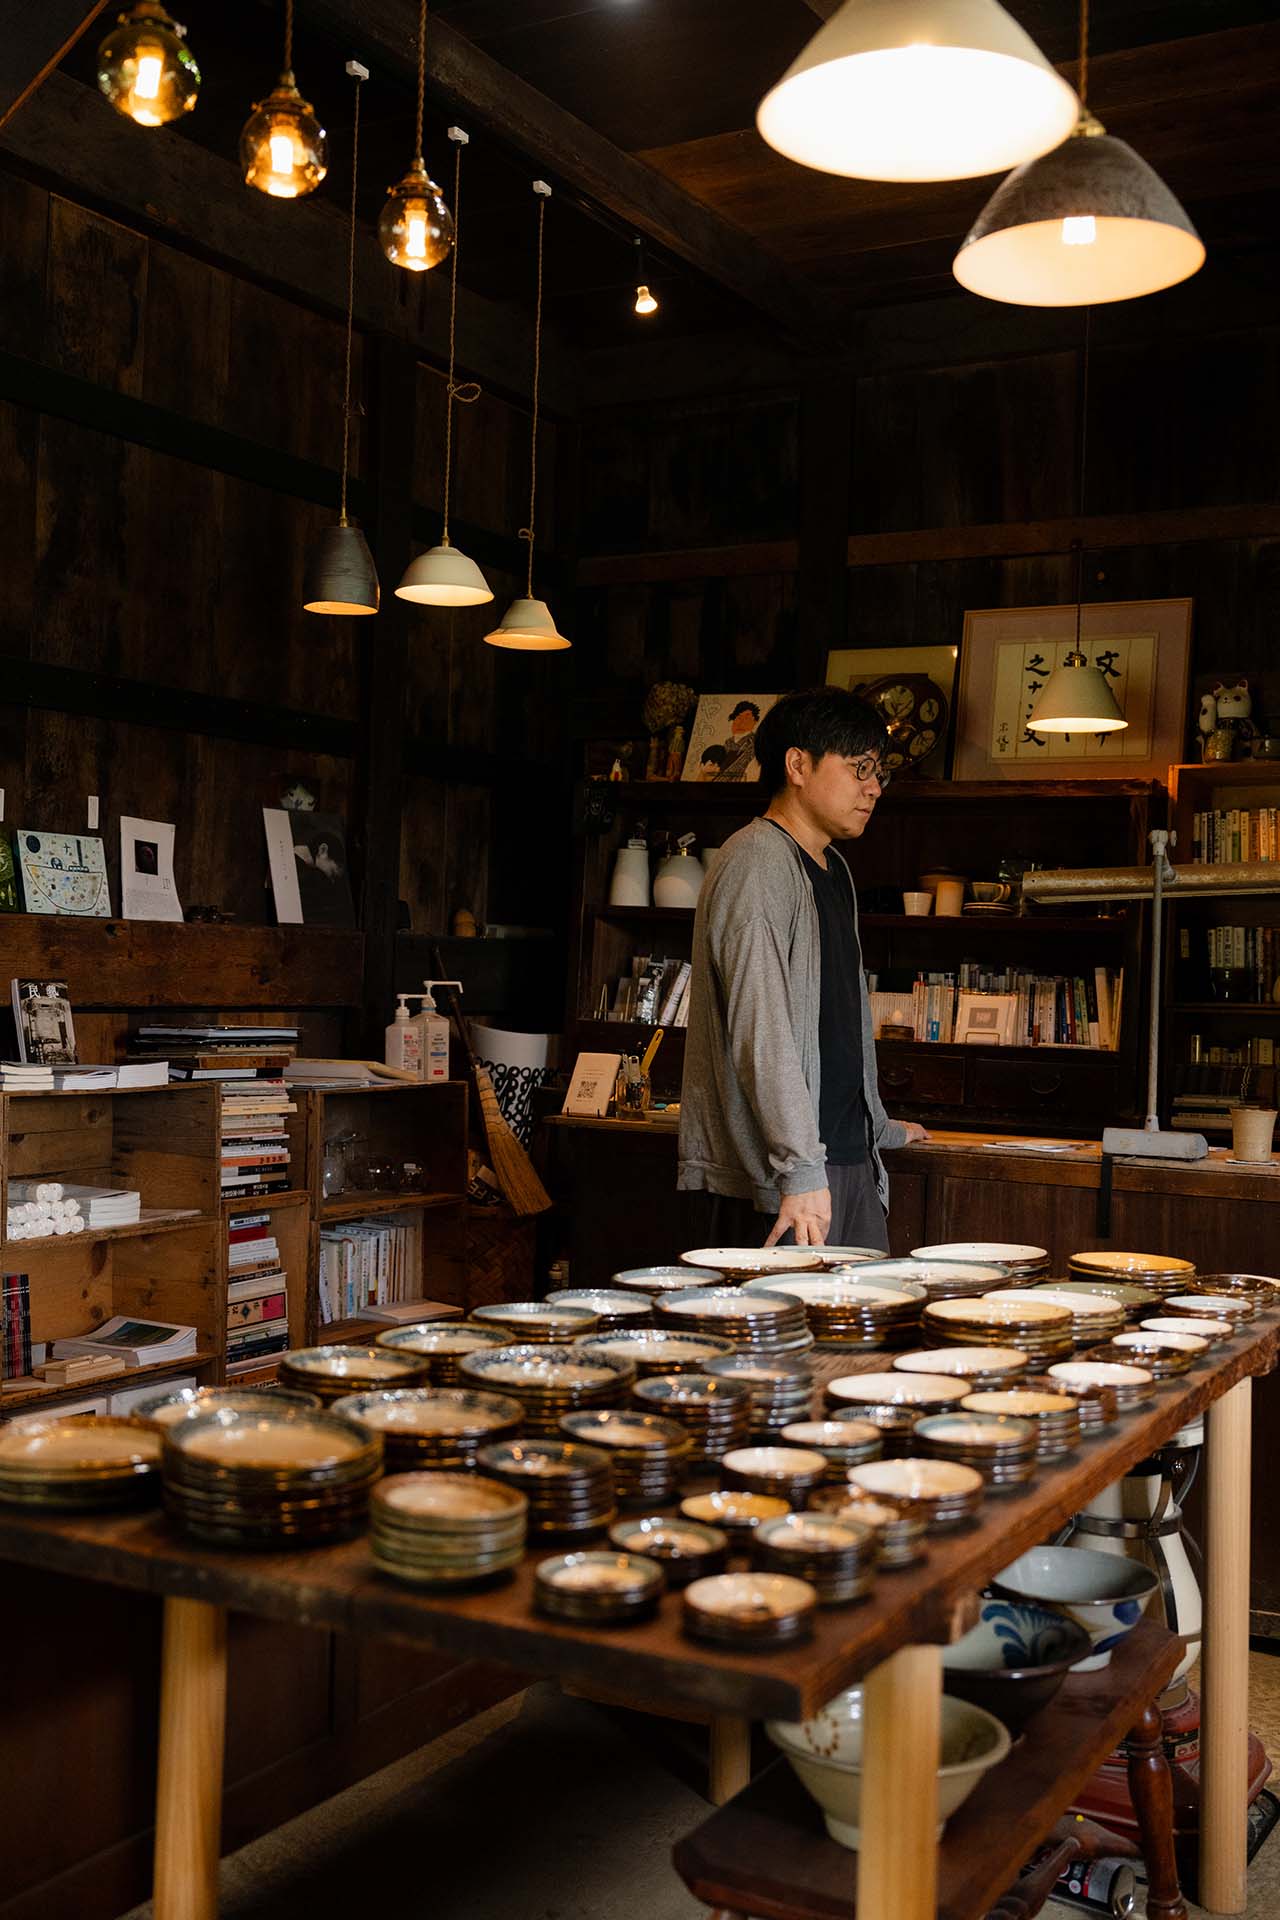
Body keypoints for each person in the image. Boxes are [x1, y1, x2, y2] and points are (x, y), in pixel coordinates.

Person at [678, 687, 928, 1249]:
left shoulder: (832, 866)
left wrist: (876, 1127)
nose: (874, 788)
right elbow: (759, 1030)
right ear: (797, 764)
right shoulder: (757, 863)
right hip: (790, 1181)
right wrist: (799, 1169)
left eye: (879, 772)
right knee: (793, 1336)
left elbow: (839, 1020)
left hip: (842, 1158)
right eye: (859, 768)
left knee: (863, 1333)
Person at [717, 700, 760, 779]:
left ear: (755, 722)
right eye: (739, 718)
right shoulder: (728, 742)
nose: (741, 722)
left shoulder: (755, 743)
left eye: (746, 718)